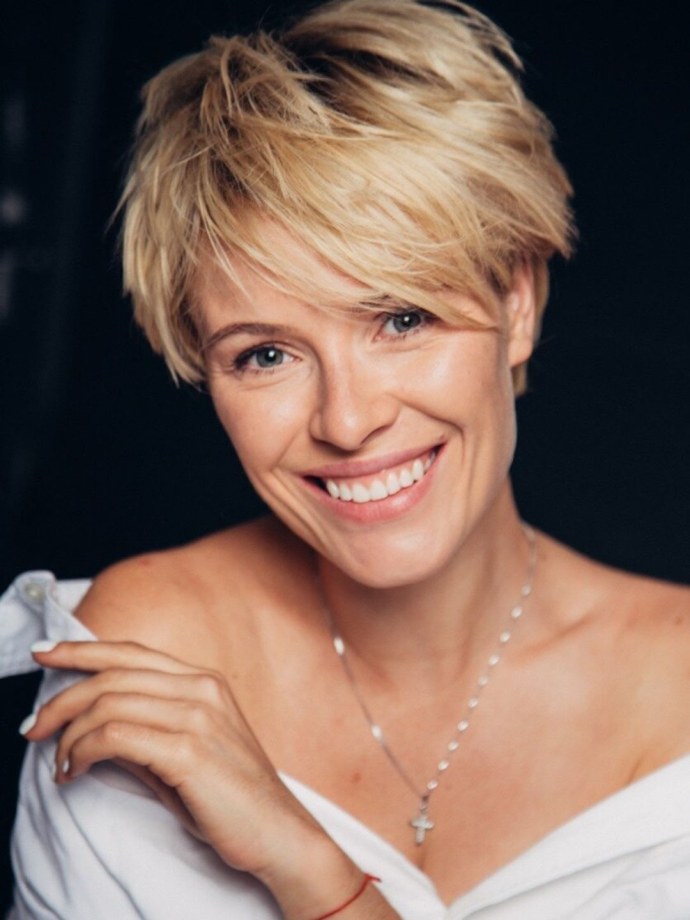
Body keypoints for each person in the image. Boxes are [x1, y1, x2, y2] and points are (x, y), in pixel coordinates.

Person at [2, 0, 690, 917]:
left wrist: (307, 867)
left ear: (518, 304)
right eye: (266, 355)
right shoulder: (148, 653)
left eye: (402, 318)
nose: (350, 420)